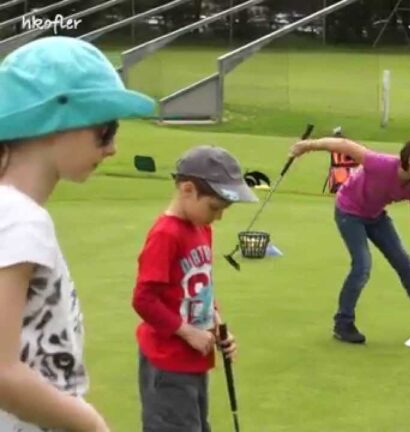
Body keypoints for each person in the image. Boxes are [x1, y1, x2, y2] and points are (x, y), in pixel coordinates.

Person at [0, 36, 155, 431]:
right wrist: (90, 425)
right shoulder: (21, 219)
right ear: (55, 122)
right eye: (105, 130)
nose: (113, 148)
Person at [290, 134, 410, 344]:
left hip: (375, 216)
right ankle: (343, 323)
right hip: (348, 212)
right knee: (362, 266)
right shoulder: (381, 164)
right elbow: (343, 145)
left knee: (404, 263)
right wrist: (306, 146)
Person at [132, 146, 254, 431]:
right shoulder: (166, 234)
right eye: (214, 208)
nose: (218, 217)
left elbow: (201, 285)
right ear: (188, 190)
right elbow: (143, 299)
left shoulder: (202, 228)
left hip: (194, 358)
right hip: (168, 361)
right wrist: (188, 332)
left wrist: (218, 327)